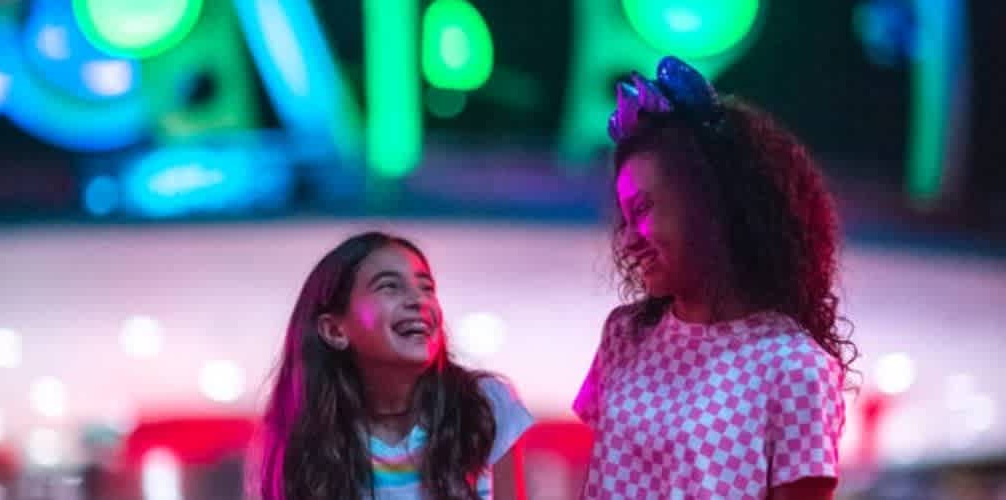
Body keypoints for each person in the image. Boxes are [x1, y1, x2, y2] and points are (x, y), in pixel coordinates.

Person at [573, 56, 857, 499]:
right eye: (624, 219)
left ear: (710, 204)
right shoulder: (623, 336)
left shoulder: (794, 366)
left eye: (643, 210)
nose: (628, 241)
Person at [251, 232, 533, 500]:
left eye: (426, 287)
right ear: (335, 330)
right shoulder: (304, 437)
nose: (418, 300)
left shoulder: (486, 404)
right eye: (390, 286)